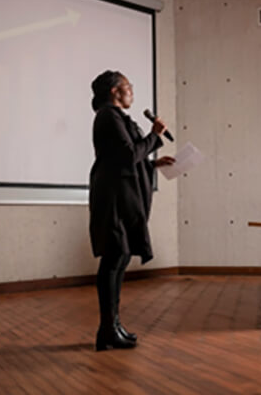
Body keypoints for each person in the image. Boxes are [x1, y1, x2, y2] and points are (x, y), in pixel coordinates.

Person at [88, 70, 174, 351]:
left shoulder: (117, 118)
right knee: (114, 259)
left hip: (121, 196)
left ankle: (113, 325)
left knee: (121, 258)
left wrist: (154, 164)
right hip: (113, 199)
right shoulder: (108, 116)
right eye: (128, 86)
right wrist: (154, 135)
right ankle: (106, 329)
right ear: (115, 90)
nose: (132, 91)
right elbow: (126, 156)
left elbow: (130, 158)